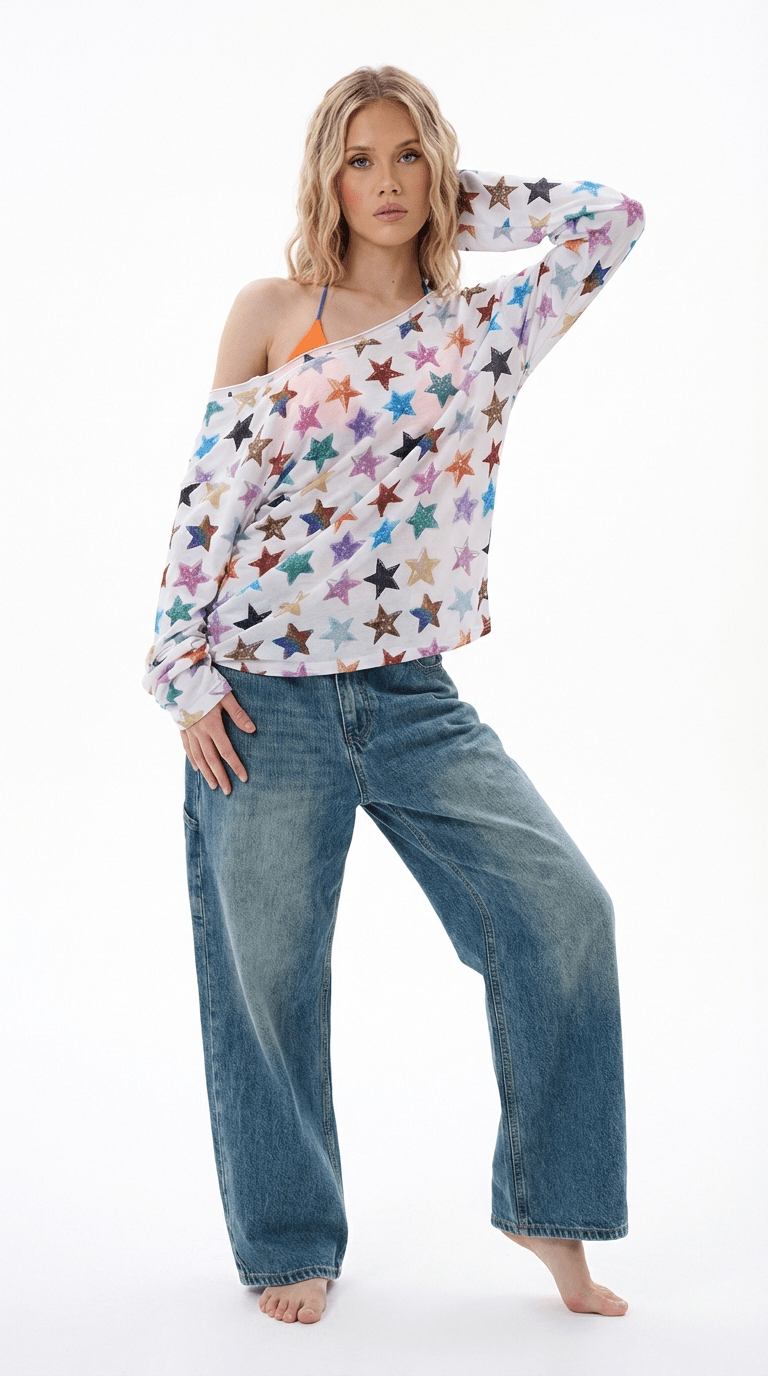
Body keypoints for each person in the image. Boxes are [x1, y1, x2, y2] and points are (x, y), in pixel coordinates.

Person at [142, 64, 645, 1326]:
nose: (385, 182)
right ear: (326, 175)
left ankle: (549, 1205)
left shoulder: (484, 328)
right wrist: (183, 672)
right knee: (267, 976)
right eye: (360, 159)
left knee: (564, 910)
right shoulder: (274, 311)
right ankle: (289, 1235)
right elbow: (206, 501)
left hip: (413, 698)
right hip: (260, 698)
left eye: (408, 156)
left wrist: (459, 200)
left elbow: (614, 221)